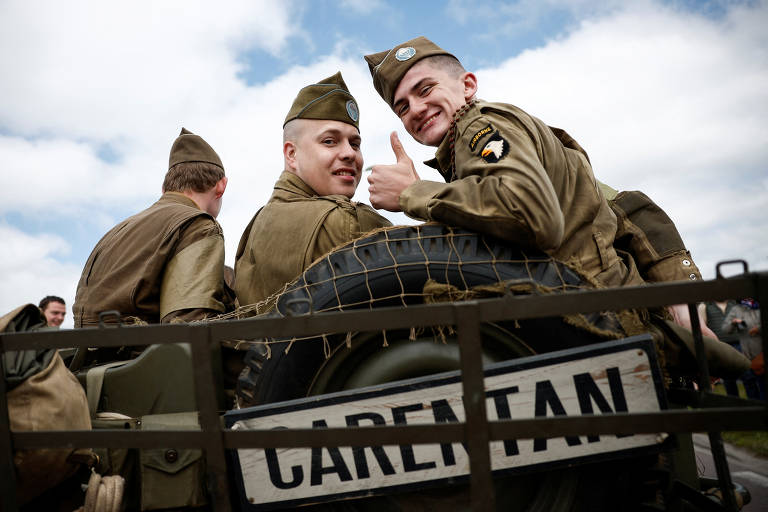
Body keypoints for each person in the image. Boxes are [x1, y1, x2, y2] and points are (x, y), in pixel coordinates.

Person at [363, 36, 746, 375]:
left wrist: (414, 192)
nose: (415, 108)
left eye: (425, 89)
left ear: (467, 85)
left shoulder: (478, 128)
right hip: (606, 329)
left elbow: (531, 214)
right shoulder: (483, 147)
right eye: (402, 106)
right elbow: (614, 207)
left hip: (595, 332)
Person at [234, 72, 391, 309]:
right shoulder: (347, 220)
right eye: (329, 141)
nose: (349, 153)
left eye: (355, 143)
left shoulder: (256, 224)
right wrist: (413, 194)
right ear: (292, 154)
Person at [73, 128, 234, 328]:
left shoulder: (118, 230)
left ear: (165, 189)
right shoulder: (198, 225)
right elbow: (190, 326)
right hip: (143, 354)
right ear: (221, 186)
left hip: (90, 356)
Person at [722, 298, 764, 400]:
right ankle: (755, 407)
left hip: (762, 353)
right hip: (747, 354)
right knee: (749, 382)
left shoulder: (761, 306)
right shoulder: (736, 309)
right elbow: (725, 329)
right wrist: (733, 323)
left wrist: (758, 329)